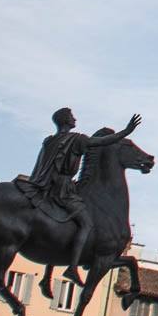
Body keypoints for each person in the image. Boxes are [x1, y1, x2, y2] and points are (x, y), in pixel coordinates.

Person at [17, 109, 141, 277]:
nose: (74, 118)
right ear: (67, 121)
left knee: (63, 226)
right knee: (86, 223)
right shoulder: (76, 139)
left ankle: (47, 276)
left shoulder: (49, 140)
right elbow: (102, 141)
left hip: (46, 186)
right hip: (63, 189)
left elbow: (40, 166)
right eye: (72, 116)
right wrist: (126, 131)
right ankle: (72, 267)